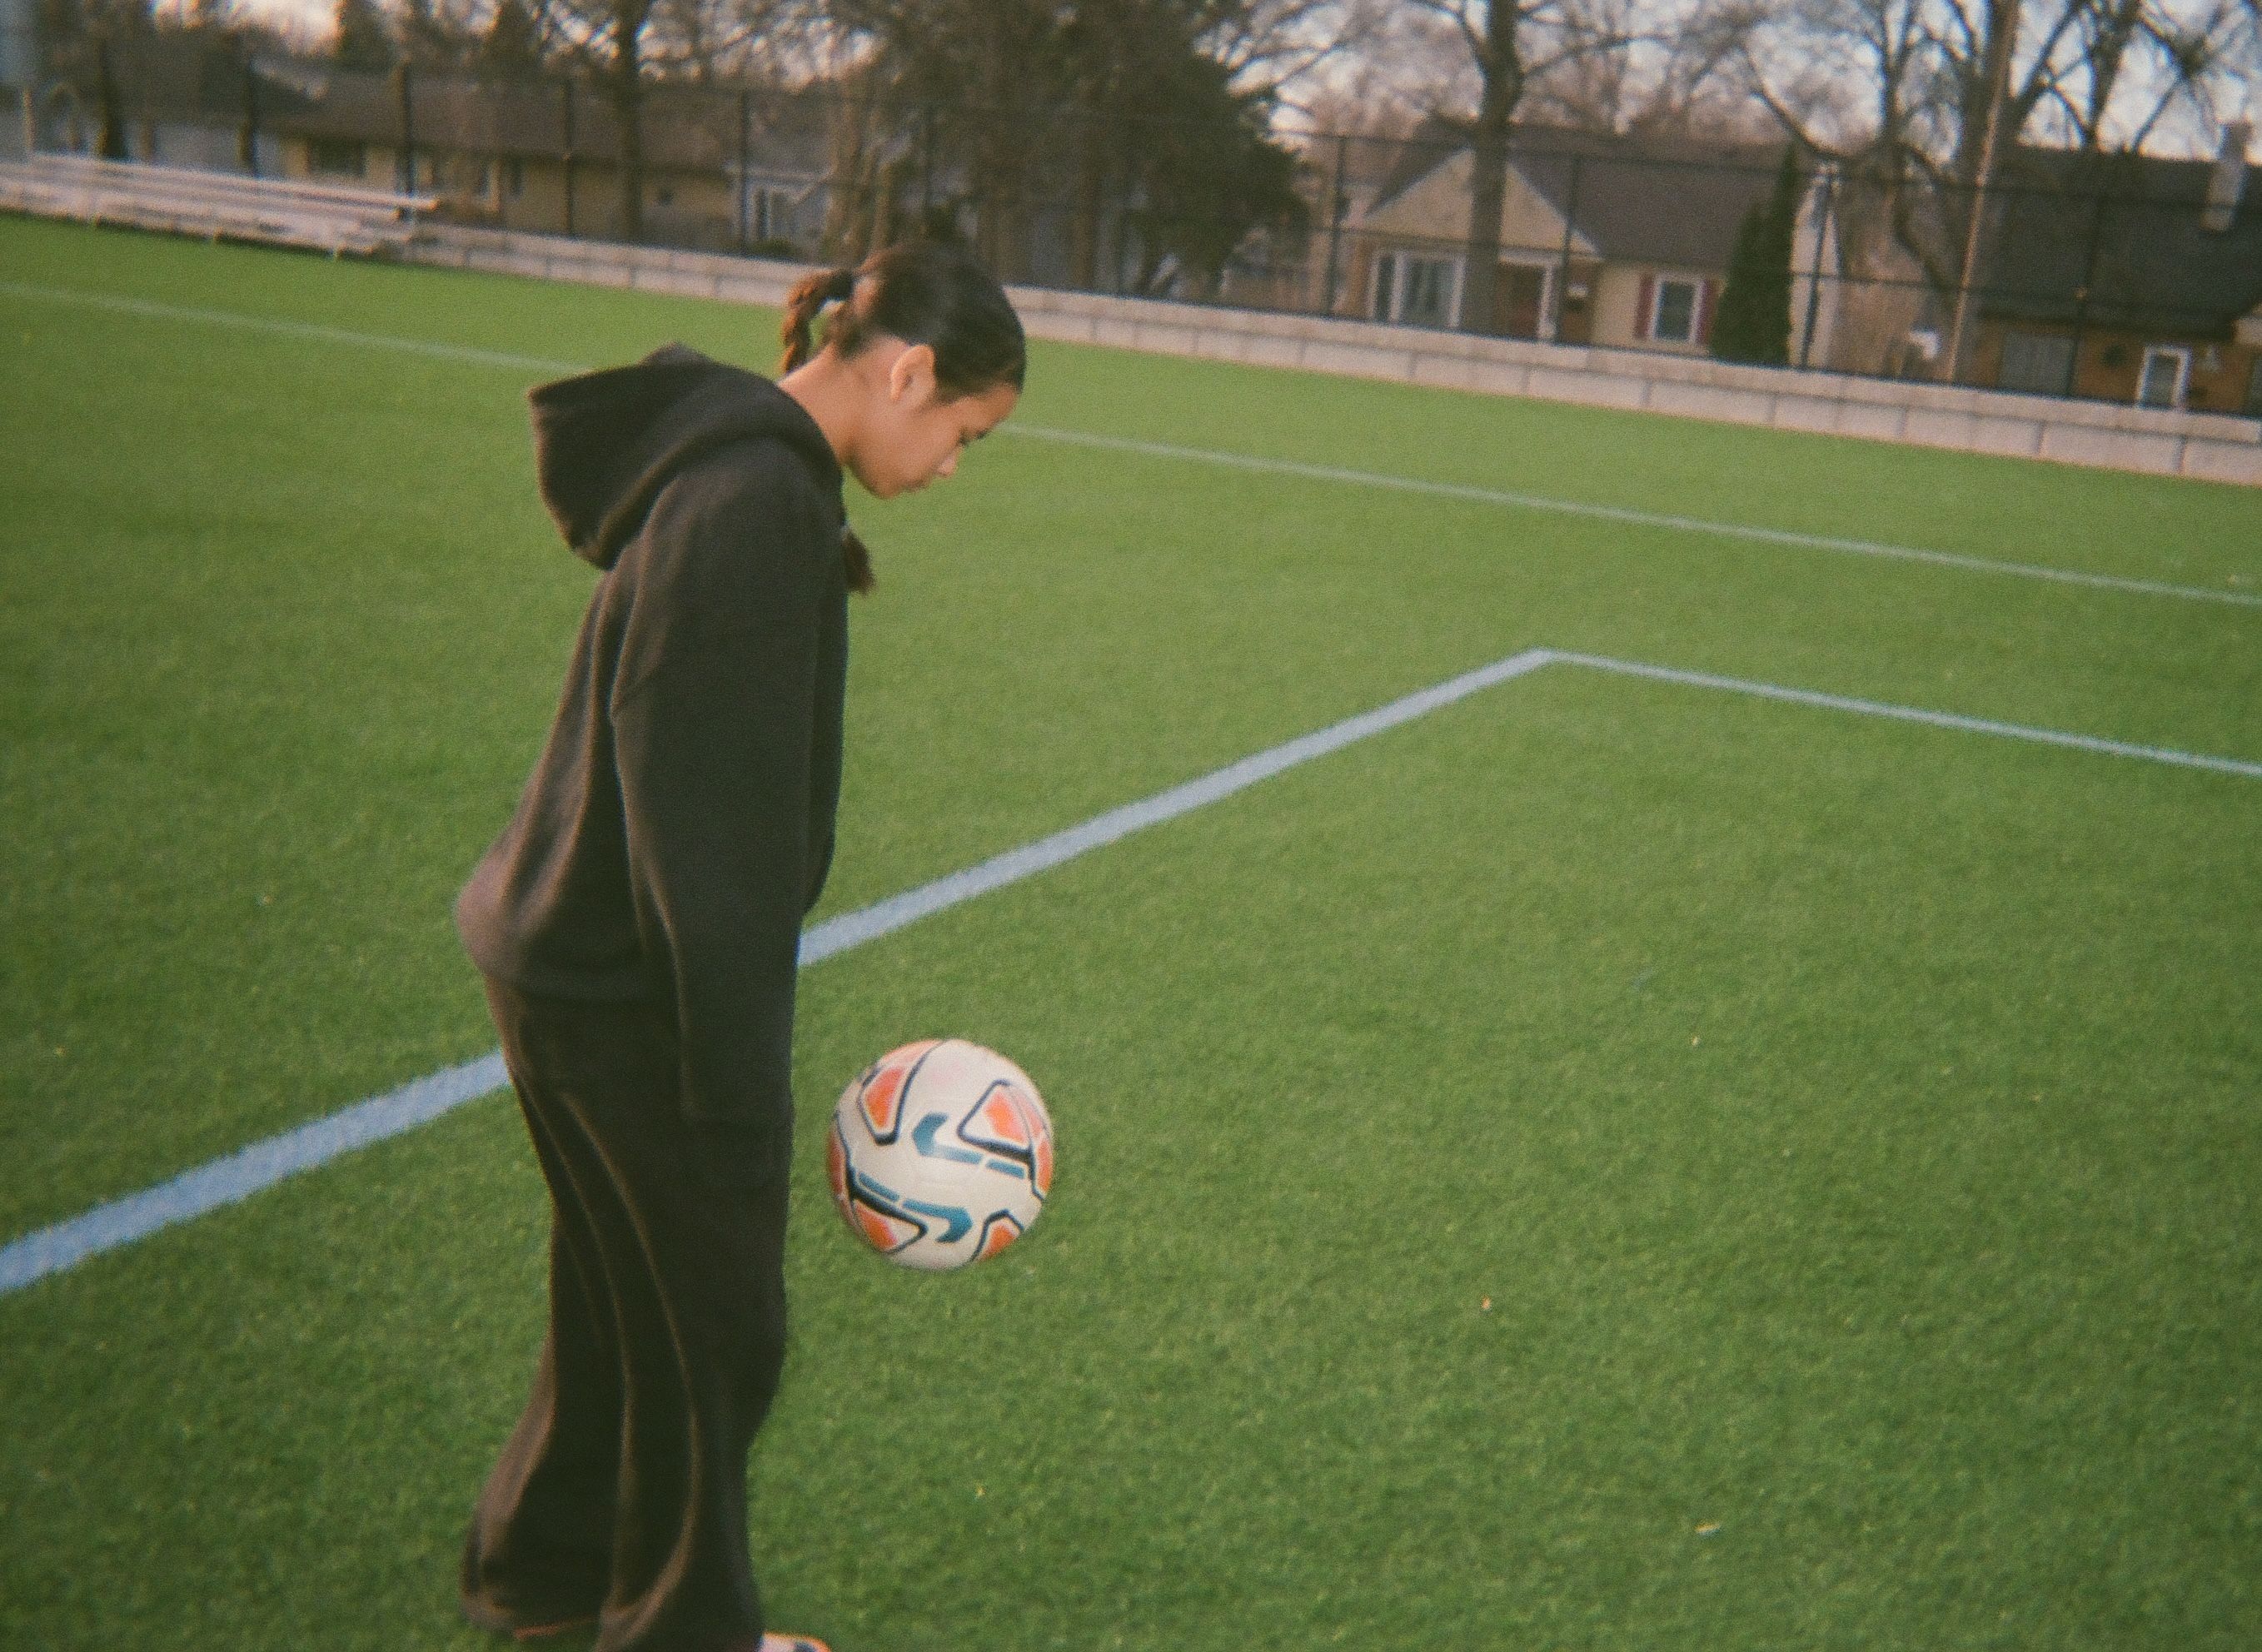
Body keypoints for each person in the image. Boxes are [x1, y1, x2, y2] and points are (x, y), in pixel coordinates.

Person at [450, 241, 1026, 1652]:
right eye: (963, 431)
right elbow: (706, 844)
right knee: (715, 1334)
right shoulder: (756, 505)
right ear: (905, 373)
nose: (956, 464)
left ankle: (542, 1577)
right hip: (627, 980)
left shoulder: (739, 469)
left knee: (614, 1304)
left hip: (558, 951)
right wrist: (735, 1093)